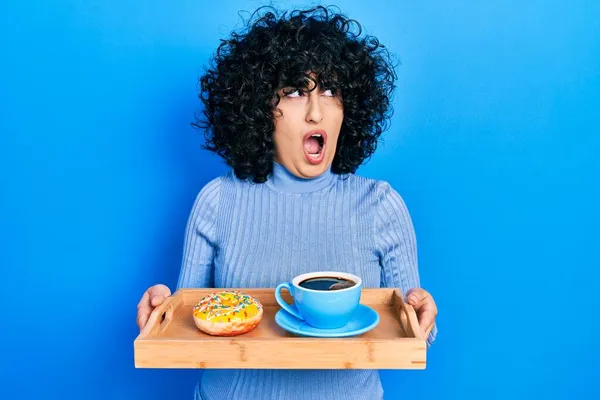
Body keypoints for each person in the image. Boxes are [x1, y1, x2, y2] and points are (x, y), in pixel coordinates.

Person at [137, 5, 438, 400]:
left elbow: (413, 332)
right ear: (261, 109)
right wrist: (161, 311)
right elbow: (193, 323)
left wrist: (424, 315)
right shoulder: (217, 201)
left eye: (331, 91)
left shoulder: (381, 205)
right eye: (296, 91)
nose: (317, 111)